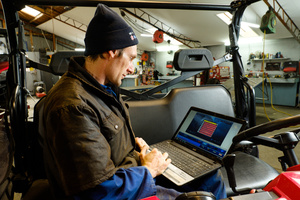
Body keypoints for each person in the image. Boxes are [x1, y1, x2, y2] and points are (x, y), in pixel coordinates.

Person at [41, 3, 226, 200]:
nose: (131, 68)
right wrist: (148, 170)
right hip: (119, 190)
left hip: (130, 173)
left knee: (210, 176)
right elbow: (98, 191)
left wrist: (138, 151)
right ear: (110, 52)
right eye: (130, 58)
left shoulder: (104, 89)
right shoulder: (73, 106)